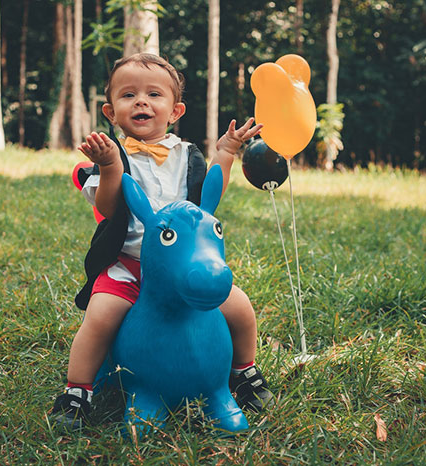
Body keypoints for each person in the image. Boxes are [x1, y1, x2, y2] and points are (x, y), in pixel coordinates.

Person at [52, 53, 273, 428]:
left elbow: (207, 199)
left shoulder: (187, 155)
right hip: (128, 264)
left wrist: (227, 152)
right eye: (128, 95)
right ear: (110, 111)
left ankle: (243, 370)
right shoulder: (112, 153)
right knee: (100, 317)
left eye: (154, 94)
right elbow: (107, 207)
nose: (141, 101)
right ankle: (79, 390)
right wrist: (108, 166)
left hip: (180, 267)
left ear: (175, 111)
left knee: (239, 306)